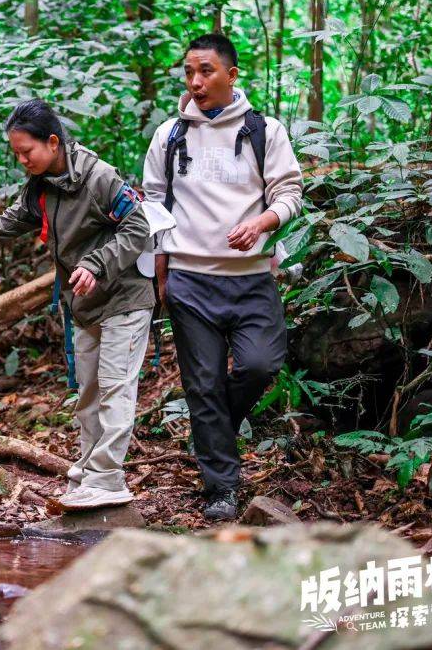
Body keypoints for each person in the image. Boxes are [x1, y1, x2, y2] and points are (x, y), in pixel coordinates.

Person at [0, 99, 153, 510]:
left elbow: (138, 225)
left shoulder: (98, 178)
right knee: (88, 394)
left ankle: (109, 478)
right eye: (16, 153)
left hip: (124, 298)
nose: (22, 160)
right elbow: (0, 228)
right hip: (84, 303)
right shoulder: (40, 189)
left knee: (115, 389)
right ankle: (89, 472)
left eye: (28, 151)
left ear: (53, 142)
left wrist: (97, 263)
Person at [141, 33, 303, 521]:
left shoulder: (264, 131)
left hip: (253, 278)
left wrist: (261, 222)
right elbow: (154, 205)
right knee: (203, 384)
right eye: (189, 72)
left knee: (259, 366)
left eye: (206, 71)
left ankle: (211, 435)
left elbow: (290, 192)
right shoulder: (169, 135)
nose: (195, 82)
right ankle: (221, 489)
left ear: (232, 76)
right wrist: (159, 276)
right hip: (190, 280)